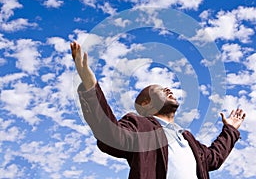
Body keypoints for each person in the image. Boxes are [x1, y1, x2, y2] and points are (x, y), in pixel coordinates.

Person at [70, 41, 246, 179]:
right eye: (160, 90)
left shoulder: (186, 137)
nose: (168, 89)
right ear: (146, 104)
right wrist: (90, 86)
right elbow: (110, 135)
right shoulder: (139, 126)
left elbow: (213, 158)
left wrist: (229, 130)